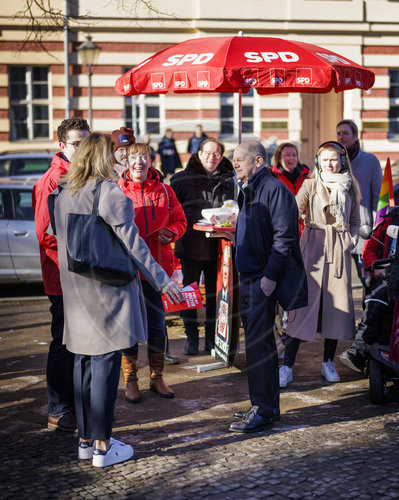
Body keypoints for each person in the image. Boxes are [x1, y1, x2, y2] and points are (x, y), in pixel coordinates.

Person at [51, 132, 183, 467]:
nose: (120, 160)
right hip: (107, 295)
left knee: (82, 367)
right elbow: (136, 246)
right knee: (105, 371)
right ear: (102, 158)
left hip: (77, 296)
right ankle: (102, 447)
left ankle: (84, 441)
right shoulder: (109, 192)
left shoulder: (63, 192)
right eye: (114, 155)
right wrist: (163, 280)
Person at [229, 140, 307, 433]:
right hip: (249, 276)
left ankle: (263, 409)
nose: (234, 163)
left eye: (240, 159)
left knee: (260, 346)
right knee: (258, 345)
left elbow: (285, 238)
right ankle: (264, 406)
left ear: (258, 161)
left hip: (263, 278)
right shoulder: (249, 189)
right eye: (233, 159)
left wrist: (270, 277)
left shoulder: (275, 190)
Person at [280, 141, 361, 388]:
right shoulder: (310, 184)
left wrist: (352, 240)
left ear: (343, 160)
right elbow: (290, 212)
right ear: (318, 162)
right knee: (301, 308)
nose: (330, 163)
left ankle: (327, 361)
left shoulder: (350, 186)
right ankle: (287, 365)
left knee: (334, 309)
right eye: (325, 159)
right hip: (312, 248)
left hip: (339, 249)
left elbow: (356, 219)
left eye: (334, 159)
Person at [32, 116, 90, 432]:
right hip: (64, 279)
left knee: (80, 343)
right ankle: (59, 408)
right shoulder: (53, 181)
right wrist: (84, 260)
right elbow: (47, 236)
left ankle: (76, 403)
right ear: (62, 146)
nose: (82, 151)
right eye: (76, 145)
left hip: (82, 277)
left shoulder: (83, 175)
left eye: (86, 144)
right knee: (63, 343)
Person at [118, 143, 187, 402]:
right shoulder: (117, 191)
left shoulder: (165, 191)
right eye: (133, 157)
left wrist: (173, 232)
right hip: (128, 273)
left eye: (144, 157)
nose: (139, 162)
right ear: (126, 161)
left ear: (151, 160)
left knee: (158, 327)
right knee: (129, 330)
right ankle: (131, 380)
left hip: (158, 272)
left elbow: (181, 221)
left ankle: (157, 377)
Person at [170, 138, 236, 355]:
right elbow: (173, 211)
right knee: (190, 292)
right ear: (198, 154)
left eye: (217, 154)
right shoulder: (181, 179)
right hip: (190, 245)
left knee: (215, 296)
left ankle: (211, 337)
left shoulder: (230, 178)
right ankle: (191, 337)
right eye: (207, 153)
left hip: (218, 247)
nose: (212, 158)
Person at [339, 209, 398, 372]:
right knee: (374, 302)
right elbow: (369, 250)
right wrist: (376, 266)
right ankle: (359, 352)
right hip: (390, 277)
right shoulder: (387, 223)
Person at [336, 119, 382, 282]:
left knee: (367, 280)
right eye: (339, 134)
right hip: (337, 232)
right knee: (337, 282)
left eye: (345, 133)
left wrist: (377, 228)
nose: (341, 137)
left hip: (363, 231)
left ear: (355, 136)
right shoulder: (332, 161)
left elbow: (377, 198)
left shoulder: (371, 161)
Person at [271, 142, 310, 237]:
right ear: (279, 158)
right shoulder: (272, 178)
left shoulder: (306, 177)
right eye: (287, 155)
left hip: (305, 230)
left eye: (294, 155)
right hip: (282, 231)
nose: (291, 158)